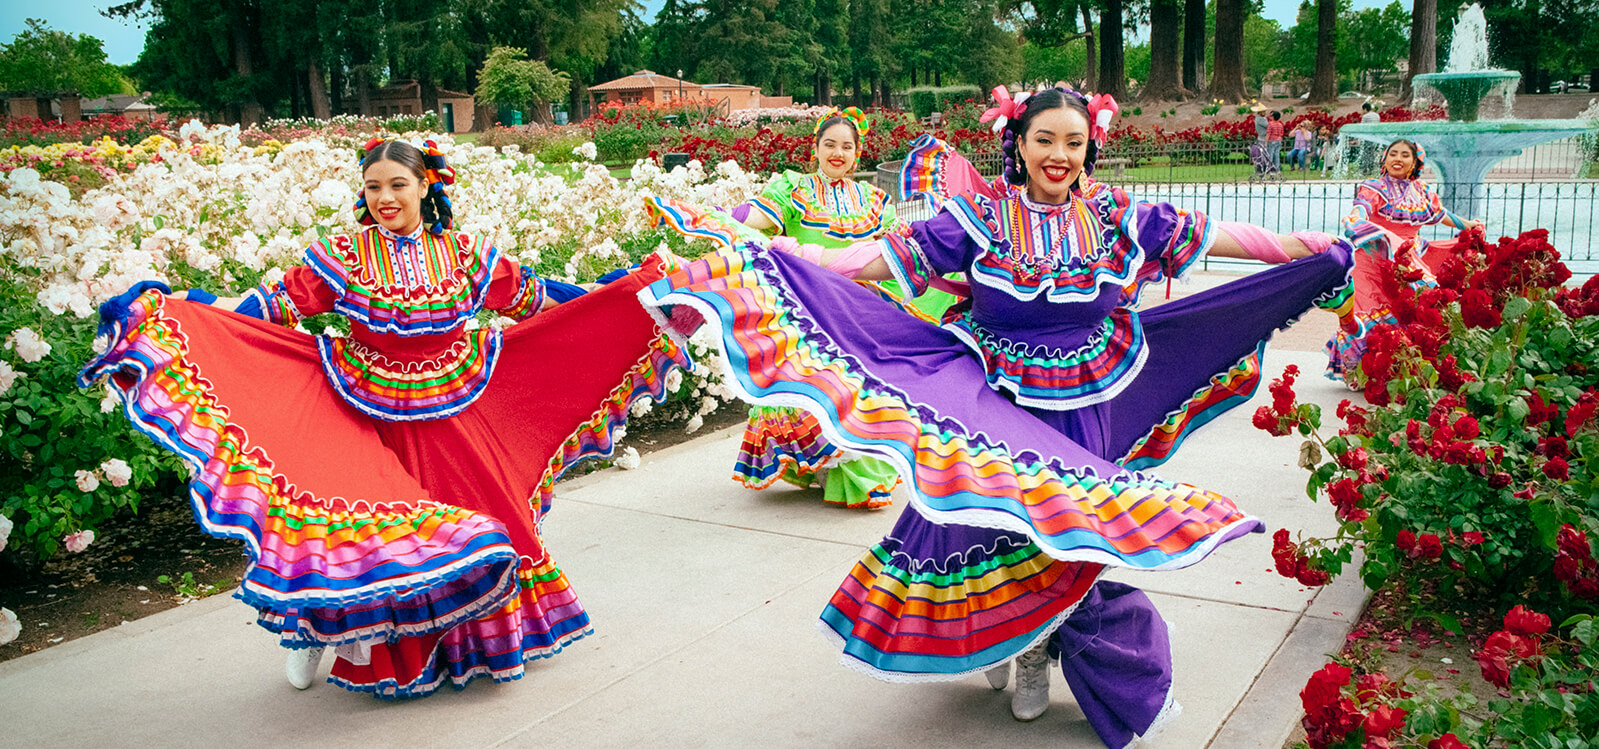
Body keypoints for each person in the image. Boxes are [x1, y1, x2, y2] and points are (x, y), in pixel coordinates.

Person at [638, 87, 1356, 748]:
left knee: (1069, 540)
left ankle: (1040, 651)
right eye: (1045, 139)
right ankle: (1013, 640)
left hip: (1088, 401)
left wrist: (1314, 249)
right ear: (1017, 142)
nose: (1059, 156)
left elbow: (1224, 237)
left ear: (1088, 148)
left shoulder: (1115, 215)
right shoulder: (977, 217)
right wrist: (787, 256)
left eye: (1073, 143)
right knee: (983, 527)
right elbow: (879, 259)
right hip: (991, 401)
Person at [79, 138, 691, 697]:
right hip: (356, 408)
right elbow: (272, 308)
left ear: (427, 185)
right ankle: (320, 636)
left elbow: (537, 297)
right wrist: (191, 309)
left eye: (398, 184)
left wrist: (629, 299)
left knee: (485, 526)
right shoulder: (340, 255)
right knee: (346, 528)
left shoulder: (465, 254)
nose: (385, 198)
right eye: (373, 187)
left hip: (454, 410)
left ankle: (453, 645)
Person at [648, 108, 955, 509]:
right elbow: (752, 219)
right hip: (810, 304)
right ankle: (834, 469)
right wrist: (724, 220)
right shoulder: (795, 190)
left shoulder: (876, 200)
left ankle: (852, 472)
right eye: (830, 144)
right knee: (815, 384)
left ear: (858, 153)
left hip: (860, 307)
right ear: (815, 148)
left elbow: (898, 251)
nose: (838, 153)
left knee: (860, 385)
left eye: (847, 146)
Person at [1327, 138, 1485, 383]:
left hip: (1408, 260)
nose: (1397, 159)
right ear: (1385, 159)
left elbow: (1441, 215)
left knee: (1414, 308)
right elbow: (1363, 207)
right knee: (1369, 312)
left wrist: (1469, 225)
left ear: (1415, 163)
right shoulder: (1374, 187)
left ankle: (1399, 368)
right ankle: (1361, 372)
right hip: (1371, 259)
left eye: (1404, 155)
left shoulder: (1423, 193)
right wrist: (1354, 216)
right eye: (1393, 154)